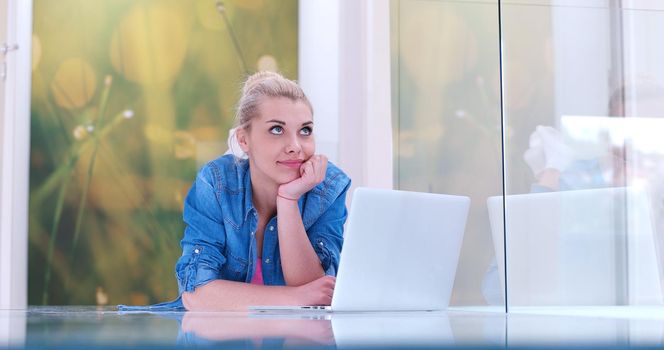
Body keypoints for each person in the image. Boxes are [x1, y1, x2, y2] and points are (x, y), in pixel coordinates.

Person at [121, 71, 351, 311]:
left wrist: (288, 199)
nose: (295, 147)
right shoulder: (217, 183)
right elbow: (196, 293)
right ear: (243, 140)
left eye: (305, 130)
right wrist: (295, 298)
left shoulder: (327, 188)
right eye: (276, 130)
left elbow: (318, 293)